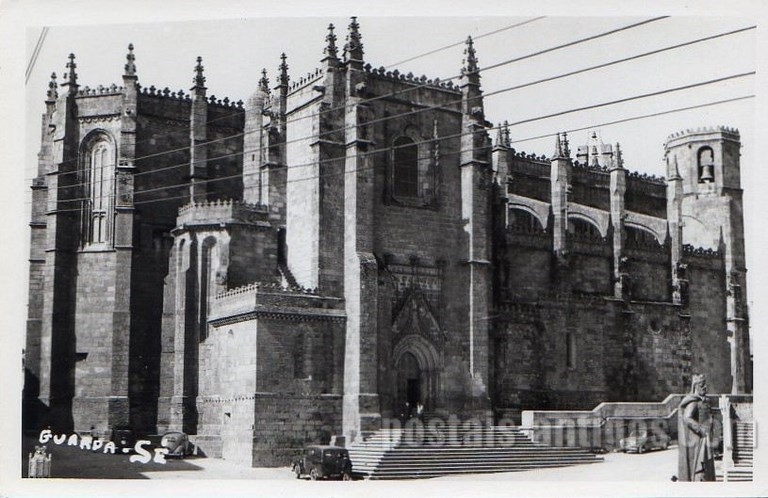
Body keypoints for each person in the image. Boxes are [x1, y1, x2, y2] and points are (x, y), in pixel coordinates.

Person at [677, 374, 715, 481]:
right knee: (700, 465)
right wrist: (700, 429)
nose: (705, 387)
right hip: (699, 439)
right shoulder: (693, 401)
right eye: (702, 385)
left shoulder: (704, 400)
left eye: (705, 385)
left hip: (706, 437)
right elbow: (687, 417)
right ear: (696, 386)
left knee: (707, 464)